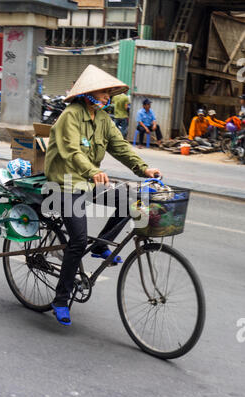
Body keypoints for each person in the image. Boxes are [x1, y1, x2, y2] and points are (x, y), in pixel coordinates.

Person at [44, 65, 161, 326]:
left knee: (130, 204)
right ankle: (61, 300)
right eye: (104, 92)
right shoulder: (70, 117)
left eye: (109, 92)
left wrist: (143, 168)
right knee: (77, 240)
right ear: (89, 93)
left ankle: (100, 245)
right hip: (63, 184)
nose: (108, 96)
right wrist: (92, 170)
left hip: (88, 180)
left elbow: (120, 147)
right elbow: (71, 152)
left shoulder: (104, 119)